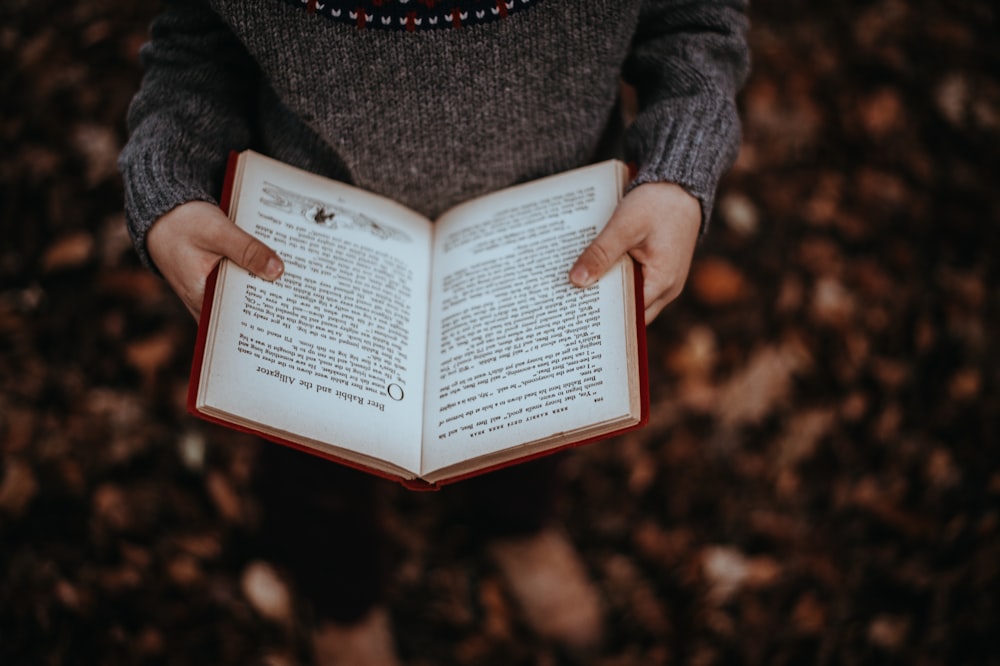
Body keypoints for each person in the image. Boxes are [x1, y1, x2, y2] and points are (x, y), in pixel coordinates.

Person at [119, 1, 749, 663]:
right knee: (311, 458)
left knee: (529, 415)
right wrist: (169, 175)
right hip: (309, 250)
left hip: (551, 240)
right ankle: (341, 596)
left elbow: (694, 23)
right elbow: (195, 45)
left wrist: (678, 171)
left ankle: (516, 524)